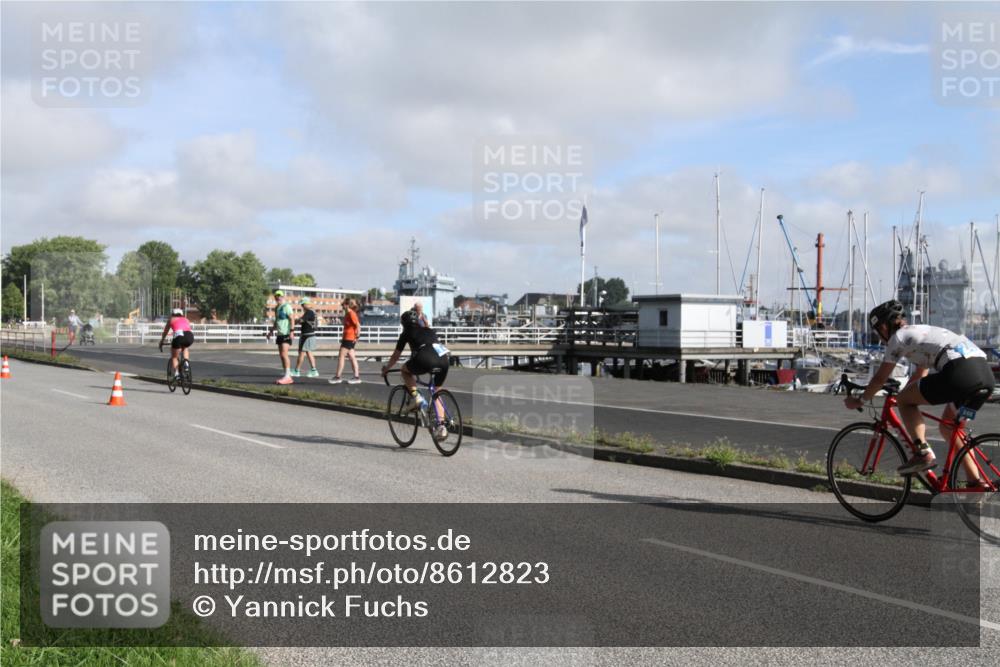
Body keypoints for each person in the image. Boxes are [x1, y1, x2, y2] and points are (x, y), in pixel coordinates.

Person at [845, 299, 995, 483]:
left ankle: (922, 452)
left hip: (959, 372)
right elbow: (920, 373)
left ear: (883, 327)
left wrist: (860, 400)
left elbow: (879, 378)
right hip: (984, 376)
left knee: (904, 401)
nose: (880, 336)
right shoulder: (921, 332)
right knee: (949, 427)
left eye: (878, 332)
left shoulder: (898, 337)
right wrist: (909, 392)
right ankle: (975, 482)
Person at [381, 309, 451, 439]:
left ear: (403, 324)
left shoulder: (406, 333)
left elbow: (396, 356)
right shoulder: (429, 330)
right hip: (443, 359)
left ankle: (416, 396)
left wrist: (386, 369)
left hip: (424, 358)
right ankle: (442, 426)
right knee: (436, 391)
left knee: (404, 370)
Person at [330, 298, 361, 384]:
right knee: (352, 357)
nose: (342, 306)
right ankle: (356, 377)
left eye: (343, 305)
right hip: (347, 338)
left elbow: (358, 325)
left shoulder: (351, 313)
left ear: (347, 305)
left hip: (349, 338)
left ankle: (338, 376)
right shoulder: (347, 314)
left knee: (341, 356)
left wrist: (357, 337)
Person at [158, 308, 194, 377]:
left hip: (179, 336)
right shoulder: (186, 319)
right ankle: (186, 364)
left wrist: (162, 341)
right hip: (189, 336)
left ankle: (176, 374)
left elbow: (165, 332)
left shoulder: (171, 320)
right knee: (185, 347)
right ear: (181, 314)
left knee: (174, 357)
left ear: (172, 314)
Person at [270, 290, 295, 385]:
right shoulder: (277, 308)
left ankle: (288, 376)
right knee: (281, 355)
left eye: (279, 296)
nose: (277, 297)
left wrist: (292, 331)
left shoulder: (286, 306)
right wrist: (271, 331)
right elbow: (276, 321)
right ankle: (286, 374)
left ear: (283, 297)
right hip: (280, 334)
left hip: (286, 333)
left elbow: (292, 319)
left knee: (284, 354)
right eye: (276, 296)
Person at [291, 297, 320, 378]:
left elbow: (301, 320)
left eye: (303, 304)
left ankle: (297, 371)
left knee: (302, 353)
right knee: (308, 352)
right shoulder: (311, 312)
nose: (302, 306)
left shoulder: (309, 312)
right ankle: (313, 370)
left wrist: (293, 320)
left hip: (307, 335)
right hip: (309, 335)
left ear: (307, 304)